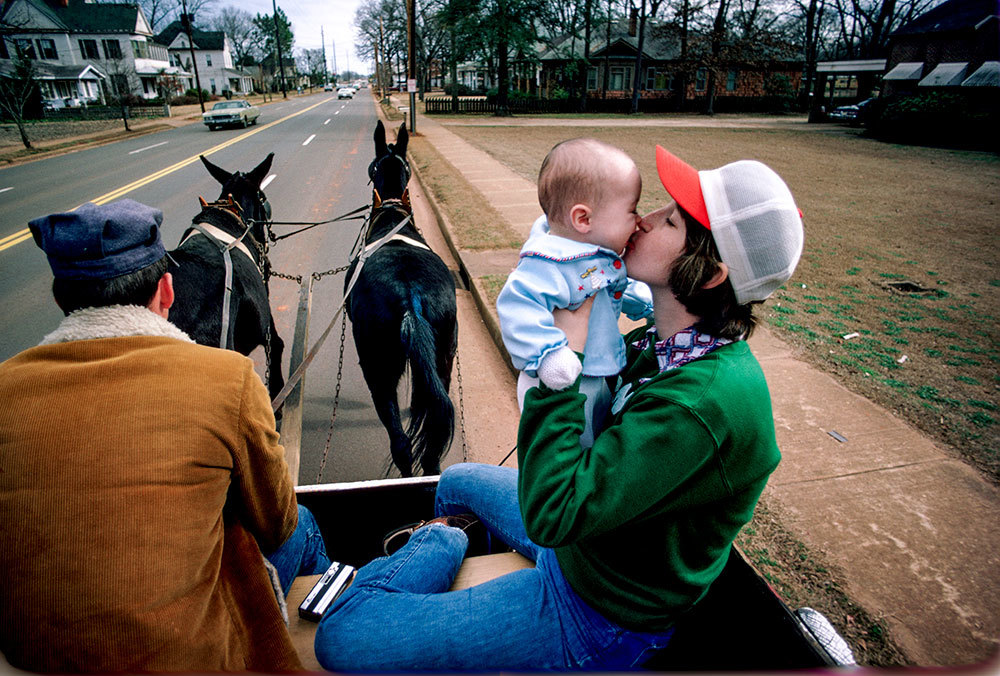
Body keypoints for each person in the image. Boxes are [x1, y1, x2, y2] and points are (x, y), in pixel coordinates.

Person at [312, 146, 804, 671]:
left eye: (672, 220)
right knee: (453, 481)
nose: (647, 217)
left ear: (706, 274)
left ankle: (438, 559)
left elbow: (553, 512)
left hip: (599, 611)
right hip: (585, 547)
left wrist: (559, 358)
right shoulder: (668, 341)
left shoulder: (699, 406)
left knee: (341, 635)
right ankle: (449, 562)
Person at [0, 200, 330, 672]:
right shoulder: (228, 378)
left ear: (60, 300)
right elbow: (277, 523)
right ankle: (322, 625)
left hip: (38, 655)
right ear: (167, 291)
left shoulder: (5, 387)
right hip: (182, 659)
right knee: (305, 522)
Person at [496, 138, 642, 447]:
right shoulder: (550, 261)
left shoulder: (595, 255)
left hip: (597, 371)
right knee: (574, 444)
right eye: (632, 210)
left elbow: (614, 291)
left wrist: (647, 304)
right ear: (583, 219)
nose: (639, 220)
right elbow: (517, 305)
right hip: (562, 380)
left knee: (599, 436)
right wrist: (549, 354)